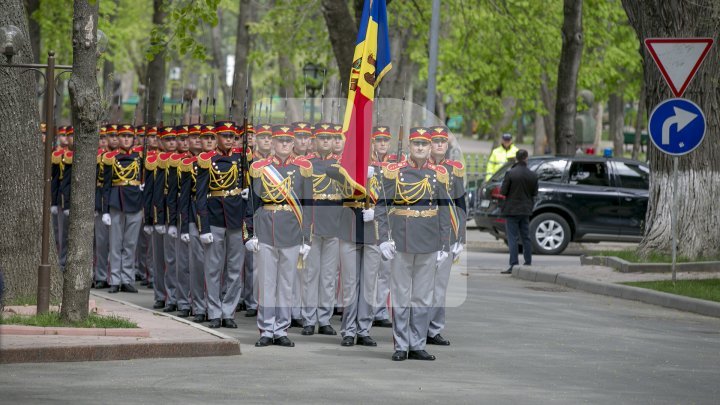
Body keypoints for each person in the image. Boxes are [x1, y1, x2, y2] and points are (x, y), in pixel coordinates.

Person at [376, 127, 451, 362]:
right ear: (410, 146)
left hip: (428, 241)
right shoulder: (394, 173)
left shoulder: (438, 174)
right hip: (402, 239)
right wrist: (383, 239)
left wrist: (444, 244)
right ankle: (400, 345)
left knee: (422, 297)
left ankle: (417, 344)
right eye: (416, 144)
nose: (420, 148)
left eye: (424, 144)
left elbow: (444, 212)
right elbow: (381, 207)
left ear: (430, 148)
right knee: (400, 296)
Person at [247, 124, 313, 347]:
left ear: (293, 143)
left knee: (287, 284)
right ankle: (266, 329)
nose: (284, 144)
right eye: (280, 141)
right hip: (266, 228)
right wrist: (250, 233)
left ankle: (281, 329)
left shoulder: (303, 168)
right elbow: (253, 203)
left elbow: (308, 205)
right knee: (266, 283)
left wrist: (307, 238)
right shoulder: (260, 167)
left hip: (292, 231)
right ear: (272, 143)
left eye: (288, 141)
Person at [195, 121, 250, 329]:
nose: (229, 139)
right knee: (213, 269)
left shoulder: (241, 158)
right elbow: (200, 196)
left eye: (233, 136)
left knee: (235, 269)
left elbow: (248, 186)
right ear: (216, 136)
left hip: (236, 218)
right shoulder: (206, 160)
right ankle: (214, 312)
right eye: (224, 135)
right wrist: (204, 227)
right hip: (215, 218)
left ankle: (229, 312)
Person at [300, 123, 342, 337]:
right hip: (313, 223)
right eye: (322, 137)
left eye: (330, 137)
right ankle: (309, 318)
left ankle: (324, 319)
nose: (326, 141)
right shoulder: (307, 164)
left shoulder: (341, 164)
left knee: (329, 276)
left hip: (334, 223)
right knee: (310, 275)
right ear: (314, 140)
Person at [427, 126, 466, 346]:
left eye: (443, 141)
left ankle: (434, 329)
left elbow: (461, 204)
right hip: (421, 232)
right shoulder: (420, 168)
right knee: (419, 286)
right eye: (436, 141)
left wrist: (461, 237)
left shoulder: (454, 170)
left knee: (440, 286)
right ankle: (417, 326)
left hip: (447, 234)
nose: (440, 144)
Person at [102, 125, 143, 293]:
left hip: (135, 201)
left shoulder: (139, 156)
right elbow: (105, 185)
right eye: (123, 136)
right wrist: (105, 210)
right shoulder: (111, 157)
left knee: (130, 243)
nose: (126, 139)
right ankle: (114, 279)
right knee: (115, 243)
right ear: (117, 138)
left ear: (134, 139)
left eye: (129, 136)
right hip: (116, 201)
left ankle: (127, 278)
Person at [499, 149, 538, 274]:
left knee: (512, 238)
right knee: (526, 236)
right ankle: (528, 262)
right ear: (526, 158)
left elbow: (503, 192)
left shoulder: (510, 173)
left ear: (516, 159)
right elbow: (535, 193)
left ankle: (513, 264)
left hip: (511, 210)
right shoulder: (532, 175)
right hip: (526, 210)